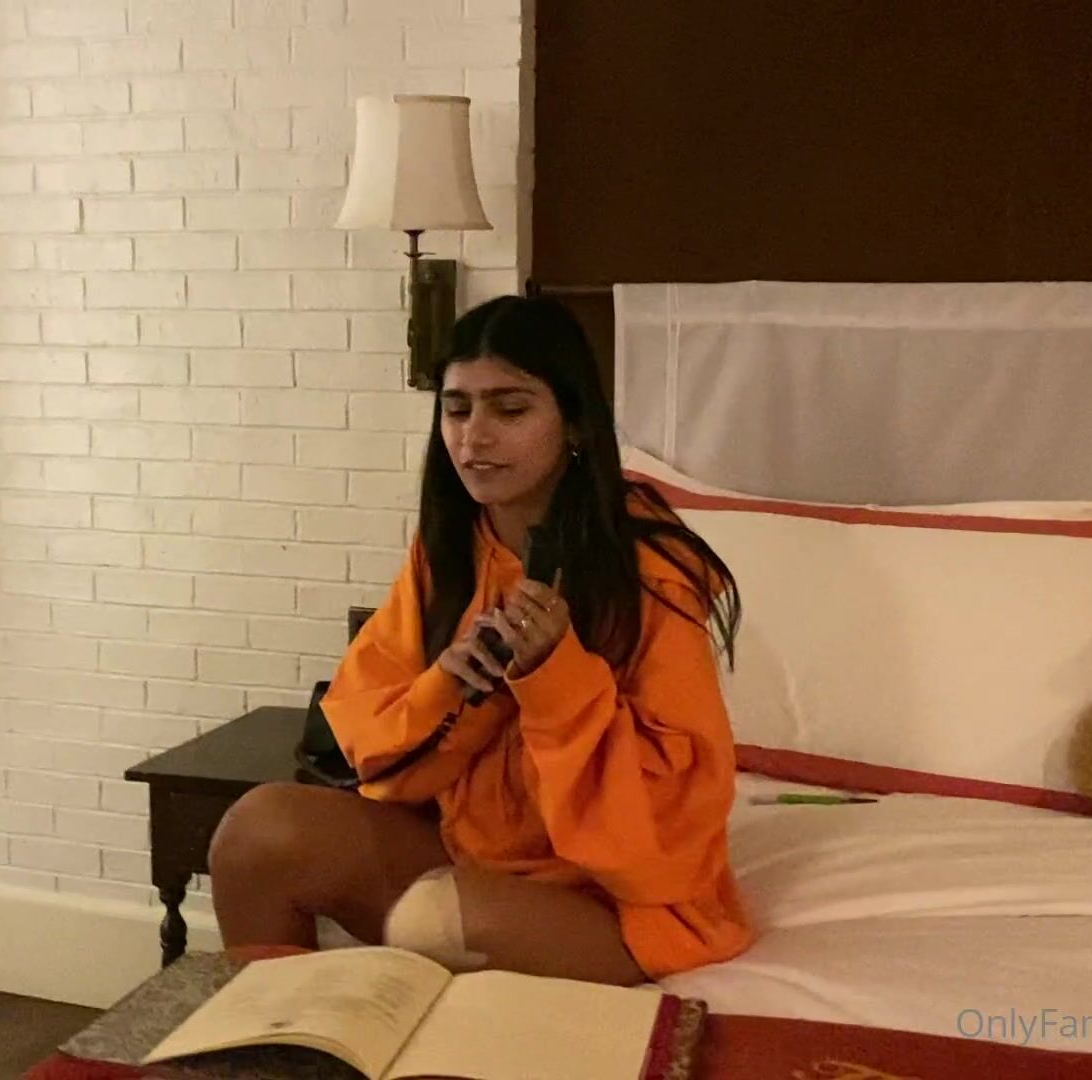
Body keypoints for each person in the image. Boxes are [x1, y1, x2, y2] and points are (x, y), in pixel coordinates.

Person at [207, 295, 750, 986]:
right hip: (471, 851)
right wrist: (450, 686)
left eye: (510, 409)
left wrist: (555, 675)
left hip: (614, 892)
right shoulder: (452, 546)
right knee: (256, 834)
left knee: (439, 920)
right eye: (457, 409)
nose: (474, 438)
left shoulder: (650, 570)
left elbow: (670, 826)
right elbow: (368, 733)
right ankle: (281, 1037)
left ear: (575, 421)